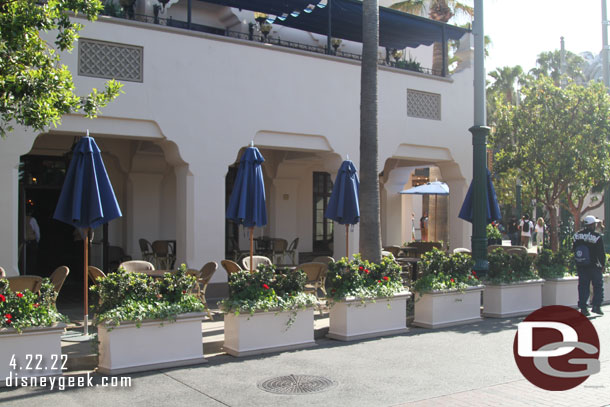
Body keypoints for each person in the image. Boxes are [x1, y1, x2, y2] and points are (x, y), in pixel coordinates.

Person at [573, 215, 605, 316]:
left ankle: (583, 308)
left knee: (583, 286)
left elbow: (574, 249)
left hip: (581, 265)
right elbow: (601, 253)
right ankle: (596, 306)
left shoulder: (577, 235)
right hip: (594, 265)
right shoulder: (597, 236)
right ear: (592, 225)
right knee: (598, 286)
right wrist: (602, 265)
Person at [24, 210, 40, 274]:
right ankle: (31, 272)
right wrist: (37, 240)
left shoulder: (21, 218)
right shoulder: (32, 219)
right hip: (32, 241)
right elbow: (37, 231)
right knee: (32, 259)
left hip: (24, 241)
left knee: (25, 258)